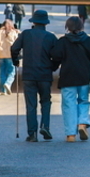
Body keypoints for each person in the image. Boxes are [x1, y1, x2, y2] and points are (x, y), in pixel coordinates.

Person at [11, 10, 60, 142]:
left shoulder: (26, 34)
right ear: (46, 23)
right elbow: (57, 56)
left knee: (31, 105)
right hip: (45, 75)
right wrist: (53, 67)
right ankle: (45, 126)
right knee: (45, 101)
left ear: (33, 21)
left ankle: (32, 134)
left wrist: (15, 61)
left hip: (28, 75)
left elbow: (14, 48)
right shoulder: (51, 37)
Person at [51, 17, 90, 142]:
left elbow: (55, 56)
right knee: (83, 100)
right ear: (81, 26)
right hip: (84, 77)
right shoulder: (89, 41)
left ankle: (70, 134)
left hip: (68, 77)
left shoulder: (63, 42)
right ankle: (82, 123)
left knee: (69, 105)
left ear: (67, 27)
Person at [0, 19, 19, 95]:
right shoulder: (14, 33)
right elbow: (16, 46)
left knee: (2, 72)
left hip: (0, 55)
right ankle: (8, 83)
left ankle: (3, 91)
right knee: (11, 72)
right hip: (10, 56)